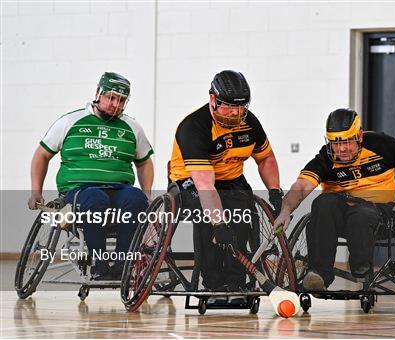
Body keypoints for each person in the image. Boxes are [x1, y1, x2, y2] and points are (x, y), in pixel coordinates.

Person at [274, 108, 395, 291]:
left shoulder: (383, 145)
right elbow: (301, 186)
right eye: (335, 143)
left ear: (359, 135)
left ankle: (361, 267)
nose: (342, 148)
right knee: (322, 202)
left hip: (379, 214)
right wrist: (286, 210)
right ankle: (318, 274)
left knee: (361, 213)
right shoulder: (326, 158)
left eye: (347, 141)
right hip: (340, 217)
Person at [27, 72, 154, 280]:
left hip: (119, 189)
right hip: (80, 189)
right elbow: (41, 155)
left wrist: (147, 193)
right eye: (111, 98)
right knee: (96, 198)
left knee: (136, 198)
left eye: (121, 100)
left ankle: (123, 265)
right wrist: (36, 191)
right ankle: (99, 263)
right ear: (98, 93)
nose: (115, 104)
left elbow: (145, 162)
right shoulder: (70, 121)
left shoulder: (132, 127)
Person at [169, 70, 283, 291]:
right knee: (210, 219)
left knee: (241, 216)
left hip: (231, 180)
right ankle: (213, 281)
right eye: (229, 106)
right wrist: (219, 224)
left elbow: (265, 158)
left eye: (241, 107)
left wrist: (275, 191)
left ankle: (235, 281)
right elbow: (204, 184)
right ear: (212, 99)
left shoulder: (249, 123)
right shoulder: (194, 127)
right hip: (191, 180)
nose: (235, 113)